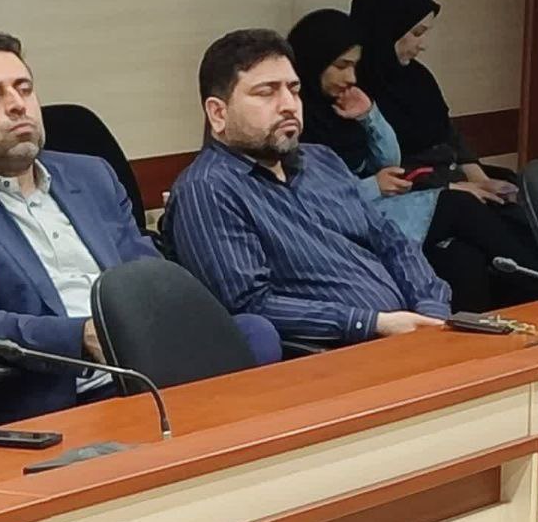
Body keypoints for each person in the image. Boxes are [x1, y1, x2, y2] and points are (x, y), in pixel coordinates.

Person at [0, 29, 280, 425]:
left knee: (255, 333)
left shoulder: (91, 174)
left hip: (149, 358)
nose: (17, 105)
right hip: (65, 388)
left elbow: (146, 269)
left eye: (24, 89)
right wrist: (82, 336)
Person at [163, 28, 452, 346]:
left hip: (411, 336)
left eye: (294, 89)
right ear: (218, 113)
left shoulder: (321, 160)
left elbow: (393, 243)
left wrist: (431, 309)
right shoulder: (208, 190)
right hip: (335, 355)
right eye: (267, 93)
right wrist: (373, 323)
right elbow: (250, 305)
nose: (289, 105)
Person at [287, 8, 538, 311]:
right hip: (340, 224)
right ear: (314, 61)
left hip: (374, 210)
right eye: (341, 66)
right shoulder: (292, 119)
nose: (351, 78)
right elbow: (310, 199)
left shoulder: (339, 105)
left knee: (462, 256)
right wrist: (373, 186)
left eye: (354, 66)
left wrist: (369, 116)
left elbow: (389, 160)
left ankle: (521, 319)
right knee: (458, 205)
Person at [350, 0, 518, 197]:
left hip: (449, 175)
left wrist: (481, 181)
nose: (423, 45)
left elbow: (448, 134)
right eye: (417, 33)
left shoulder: (418, 76)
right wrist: (456, 189)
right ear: (386, 29)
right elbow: (381, 169)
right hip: (413, 190)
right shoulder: (355, 92)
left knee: (510, 194)